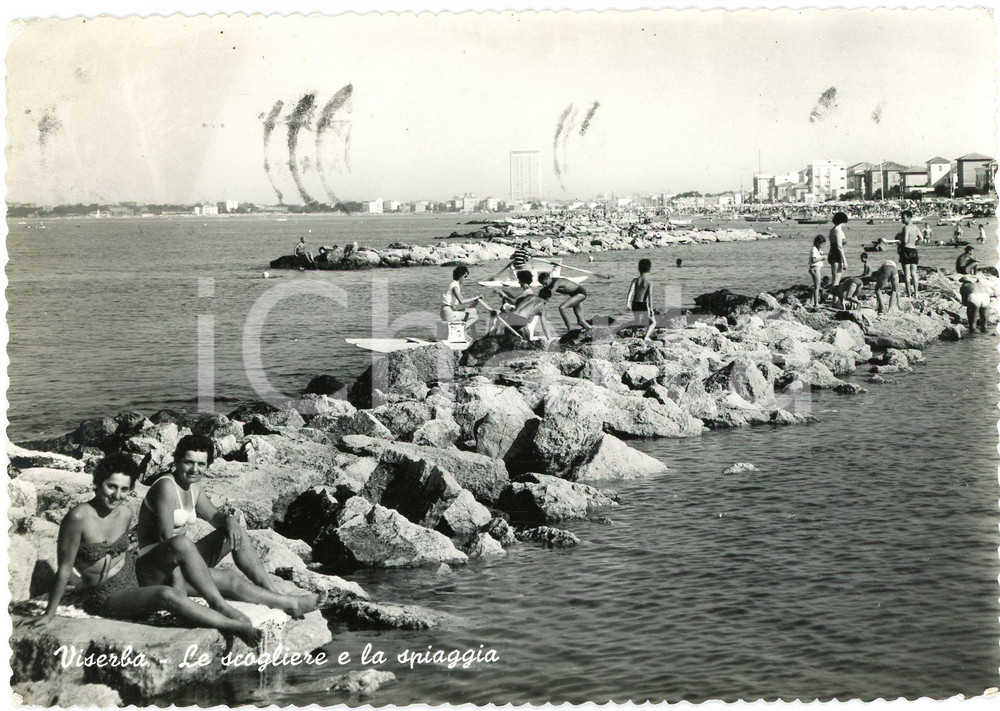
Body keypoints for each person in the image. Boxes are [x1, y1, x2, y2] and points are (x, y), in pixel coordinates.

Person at [31, 453, 262, 647]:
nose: (117, 495)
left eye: (124, 489)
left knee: (180, 545)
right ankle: (234, 626)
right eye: (111, 486)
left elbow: (134, 548)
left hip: (135, 572)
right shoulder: (78, 518)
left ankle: (219, 604)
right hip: (106, 596)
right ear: (96, 483)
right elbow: (64, 568)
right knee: (165, 595)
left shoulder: (124, 513)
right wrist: (49, 614)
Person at [136, 436, 319, 618]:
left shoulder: (193, 487)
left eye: (201, 464)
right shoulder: (167, 487)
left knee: (232, 532)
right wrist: (179, 593)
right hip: (156, 570)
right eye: (189, 462)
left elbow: (215, 516)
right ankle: (291, 605)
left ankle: (272, 594)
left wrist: (231, 521)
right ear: (177, 461)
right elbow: (166, 541)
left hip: (179, 559)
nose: (195, 469)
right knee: (228, 578)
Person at [489, 287, 554, 340]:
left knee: (508, 334)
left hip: (510, 316)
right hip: (521, 320)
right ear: (548, 298)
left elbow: (514, 302)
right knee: (527, 339)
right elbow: (545, 327)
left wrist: (504, 296)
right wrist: (550, 340)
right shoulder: (543, 308)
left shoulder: (530, 296)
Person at [441, 266, 484, 336]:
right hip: (448, 314)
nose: (466, 279)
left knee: (473, 310)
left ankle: (465, 335)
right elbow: (462, 301)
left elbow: (464, 302)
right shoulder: (455, 286)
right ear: (460, 276)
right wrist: (476, 297)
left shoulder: (454, 284)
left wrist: (476, 300)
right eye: (465, 276)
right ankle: (459, 331)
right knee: (475, 317)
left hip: (448, 311)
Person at [626, 258, 655, 340]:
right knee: (653, 322)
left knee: (636, 321)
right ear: (649, 270)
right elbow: (650, 296)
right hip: (643, 304)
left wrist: (628, 302)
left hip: (635, 303)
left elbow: (631, 291)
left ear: (639, 269)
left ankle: (633, 335)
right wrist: (651, 309)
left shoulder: (635, 280)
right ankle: (646, 336)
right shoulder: (649, 282)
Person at [896, 210, 921, 298]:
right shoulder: (916, 227)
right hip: (914, 250)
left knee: (907, 273)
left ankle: (909, 294)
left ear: (909, 217)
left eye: (904, 218)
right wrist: (914, 244)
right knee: (914, 274)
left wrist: (899, 246)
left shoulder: (906, 228)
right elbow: (921, 239)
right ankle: (916, 293)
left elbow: (905, 241)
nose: (902, 219)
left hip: (906, 250)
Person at [828, 212, 848, 286]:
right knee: (836, 279)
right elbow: (839, 247)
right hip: (836, 255)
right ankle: (835, 297)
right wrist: (844, 261)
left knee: (835, 279)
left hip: (832, 254)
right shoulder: (838, 230)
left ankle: (834, 297)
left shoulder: (832, 230)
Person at [809, 234, 826, 307]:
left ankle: (812, 301)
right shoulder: (814, 249)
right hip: (815, 268)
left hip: (816, 268)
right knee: (817, 286)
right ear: (818, 243)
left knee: (816, 286)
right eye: (822, 244)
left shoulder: (816, 249)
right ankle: (816, 303)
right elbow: (813, 260)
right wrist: (822, 257)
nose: (823, 246)